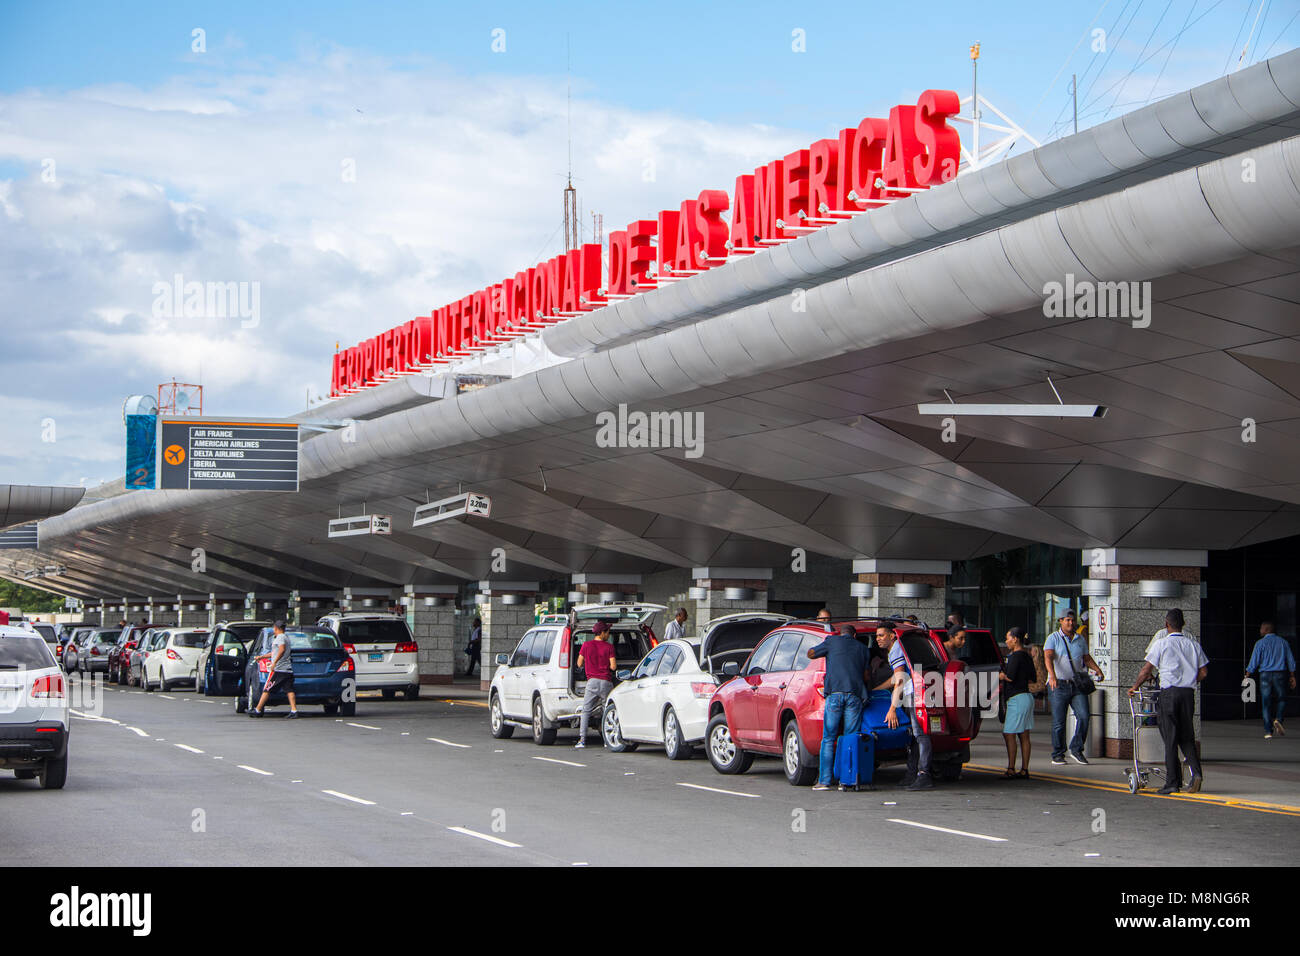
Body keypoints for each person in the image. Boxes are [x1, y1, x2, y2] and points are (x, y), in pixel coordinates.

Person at [1129, 609, 1207, 794]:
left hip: (1169, 694)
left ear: (1166, 624)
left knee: (1170, 738)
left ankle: (1172, 782)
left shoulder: (1162, 643)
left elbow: (1146, 670)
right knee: (1187, 736)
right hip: (1188, 694)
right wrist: (1188, 681)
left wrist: (1134, 687)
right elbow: (1203, 672)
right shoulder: (1193, 644)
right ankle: (1196, 774)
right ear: (1184, 624)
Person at [807, 624, 872, 791]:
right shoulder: (863, 648)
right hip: (855, 695)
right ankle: (847, 780)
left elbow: (812, 653)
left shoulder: (831, 641)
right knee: (850, 738)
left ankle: (825, 781)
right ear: (855, 636)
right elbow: (866, 676)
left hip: (834, 694)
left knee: (828, 737)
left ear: (840, 634)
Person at [1044, 608, 1104, 766]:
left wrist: (1097, 669)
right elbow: (1048, 657)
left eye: (1072, 620)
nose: (1070, 623)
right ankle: (1058, 753)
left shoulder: (1079, 639)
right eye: (1067, 620)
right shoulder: (1053, 638)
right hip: (1058, 684)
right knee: (1059, 722)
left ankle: (1077, 749)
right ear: (1061, 621)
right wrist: (1052, 675)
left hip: (1077, 685)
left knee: (1084, 716)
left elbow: (1086, 658)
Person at [879, 622, 933, 791]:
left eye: (881, 635)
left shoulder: (896, 650)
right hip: (923, 691)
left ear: (892, 636)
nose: (878, 639)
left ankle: (924, 774)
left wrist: (892, 708)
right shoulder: (903, 647)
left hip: (914, 695)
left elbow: (900, 680)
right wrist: (876, 689)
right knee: (916, 737)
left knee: (920, 735)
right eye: (877, 636)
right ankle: (913, 773)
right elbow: (897, 677)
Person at [1245, 621, 1296, 738]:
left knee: (1266, 702)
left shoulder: (1260, 643)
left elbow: (1254, 661)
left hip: (1265, 675)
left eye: (1261, 628)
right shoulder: (1283, 642)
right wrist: (1292, 675)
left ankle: (1268, 731)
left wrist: (1248, 673)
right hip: (1280, 674)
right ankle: (1278, 719)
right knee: (1282, 699)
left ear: (1267, 629)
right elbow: (1290, 660)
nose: (1260, 631)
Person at [998, 627, 1035, 778]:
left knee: (1009, 733)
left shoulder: (1015, 656)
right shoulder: (1026, 656)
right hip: (1027, 696)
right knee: (1024, 735)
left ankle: (1011, 768)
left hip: (1016, 699)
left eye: (1008, 638)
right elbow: (1033, 677)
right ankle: (1025, 769)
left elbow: (1010, 677)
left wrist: (1001, 675)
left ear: (1015, 639)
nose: (1006, 641)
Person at [576, 622, 616, 749]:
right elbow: (613, 666)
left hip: (592, 682)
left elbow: (579, 663)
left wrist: (588, 665)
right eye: (607, 632)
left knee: (586, 711)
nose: (608, 634)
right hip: (606, 682)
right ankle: (606, 740)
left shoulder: (586, 645)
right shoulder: (609, 647)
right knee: (607, 711)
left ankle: (582, 740)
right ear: (602, 633)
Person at [249, 621, 298, 719]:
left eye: (274, 629)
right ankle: (294, 710)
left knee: (267, 689)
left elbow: (281, 649)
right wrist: (262, 657)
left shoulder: (280, 638)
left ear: (276, 628)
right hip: (287, 669)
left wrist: (274, 662)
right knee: (289, 690)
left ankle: (258, 710)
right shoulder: (286, 637)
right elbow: (274, 652)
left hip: (279, 669)